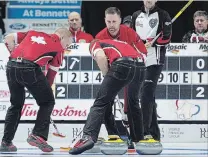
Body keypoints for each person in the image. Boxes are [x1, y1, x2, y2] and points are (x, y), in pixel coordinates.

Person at [0, 28, 72, 153]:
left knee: (15, 105)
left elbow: (8, 38)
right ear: (62, 38)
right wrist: (45, 92)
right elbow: (51, 76)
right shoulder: (59, 49)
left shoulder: (33, 33)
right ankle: (37, 135)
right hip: (30, 68)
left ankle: (6, 142)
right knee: (47, 102)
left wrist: (15, 56)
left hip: (11, 66)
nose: (66, 47)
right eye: (67, 44)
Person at [69, 39, 146, 155]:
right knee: (133, 102)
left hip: (122, 64)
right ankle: (138, 139)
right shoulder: (121, 43)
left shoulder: (94, 43)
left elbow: (100, 57)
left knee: (100, 103)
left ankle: (88, 136)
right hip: (140, 67)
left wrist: (106, 75)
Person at [95, 7, 147, 145]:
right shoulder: (100, 36)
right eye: (109, 21)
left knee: (132, 101)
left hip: (134, 69)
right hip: (114, 70)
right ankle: (113, 135)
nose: (111, 25)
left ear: (119, 21)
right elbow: (100, 57)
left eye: (114, 21)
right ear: (105, 21)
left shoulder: (130, 33)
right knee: (106, 100)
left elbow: (143, 53)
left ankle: (137, 138)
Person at [132, 0, 172, 142]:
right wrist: (141, 43)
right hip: (140, 60)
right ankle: (155, 134)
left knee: (145, 94)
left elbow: (167, 38)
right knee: (148, 96)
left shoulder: (163, 15)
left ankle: (145, 133)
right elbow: (132, 37)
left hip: (155, 60)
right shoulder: (136, 15)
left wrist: (153, 42)